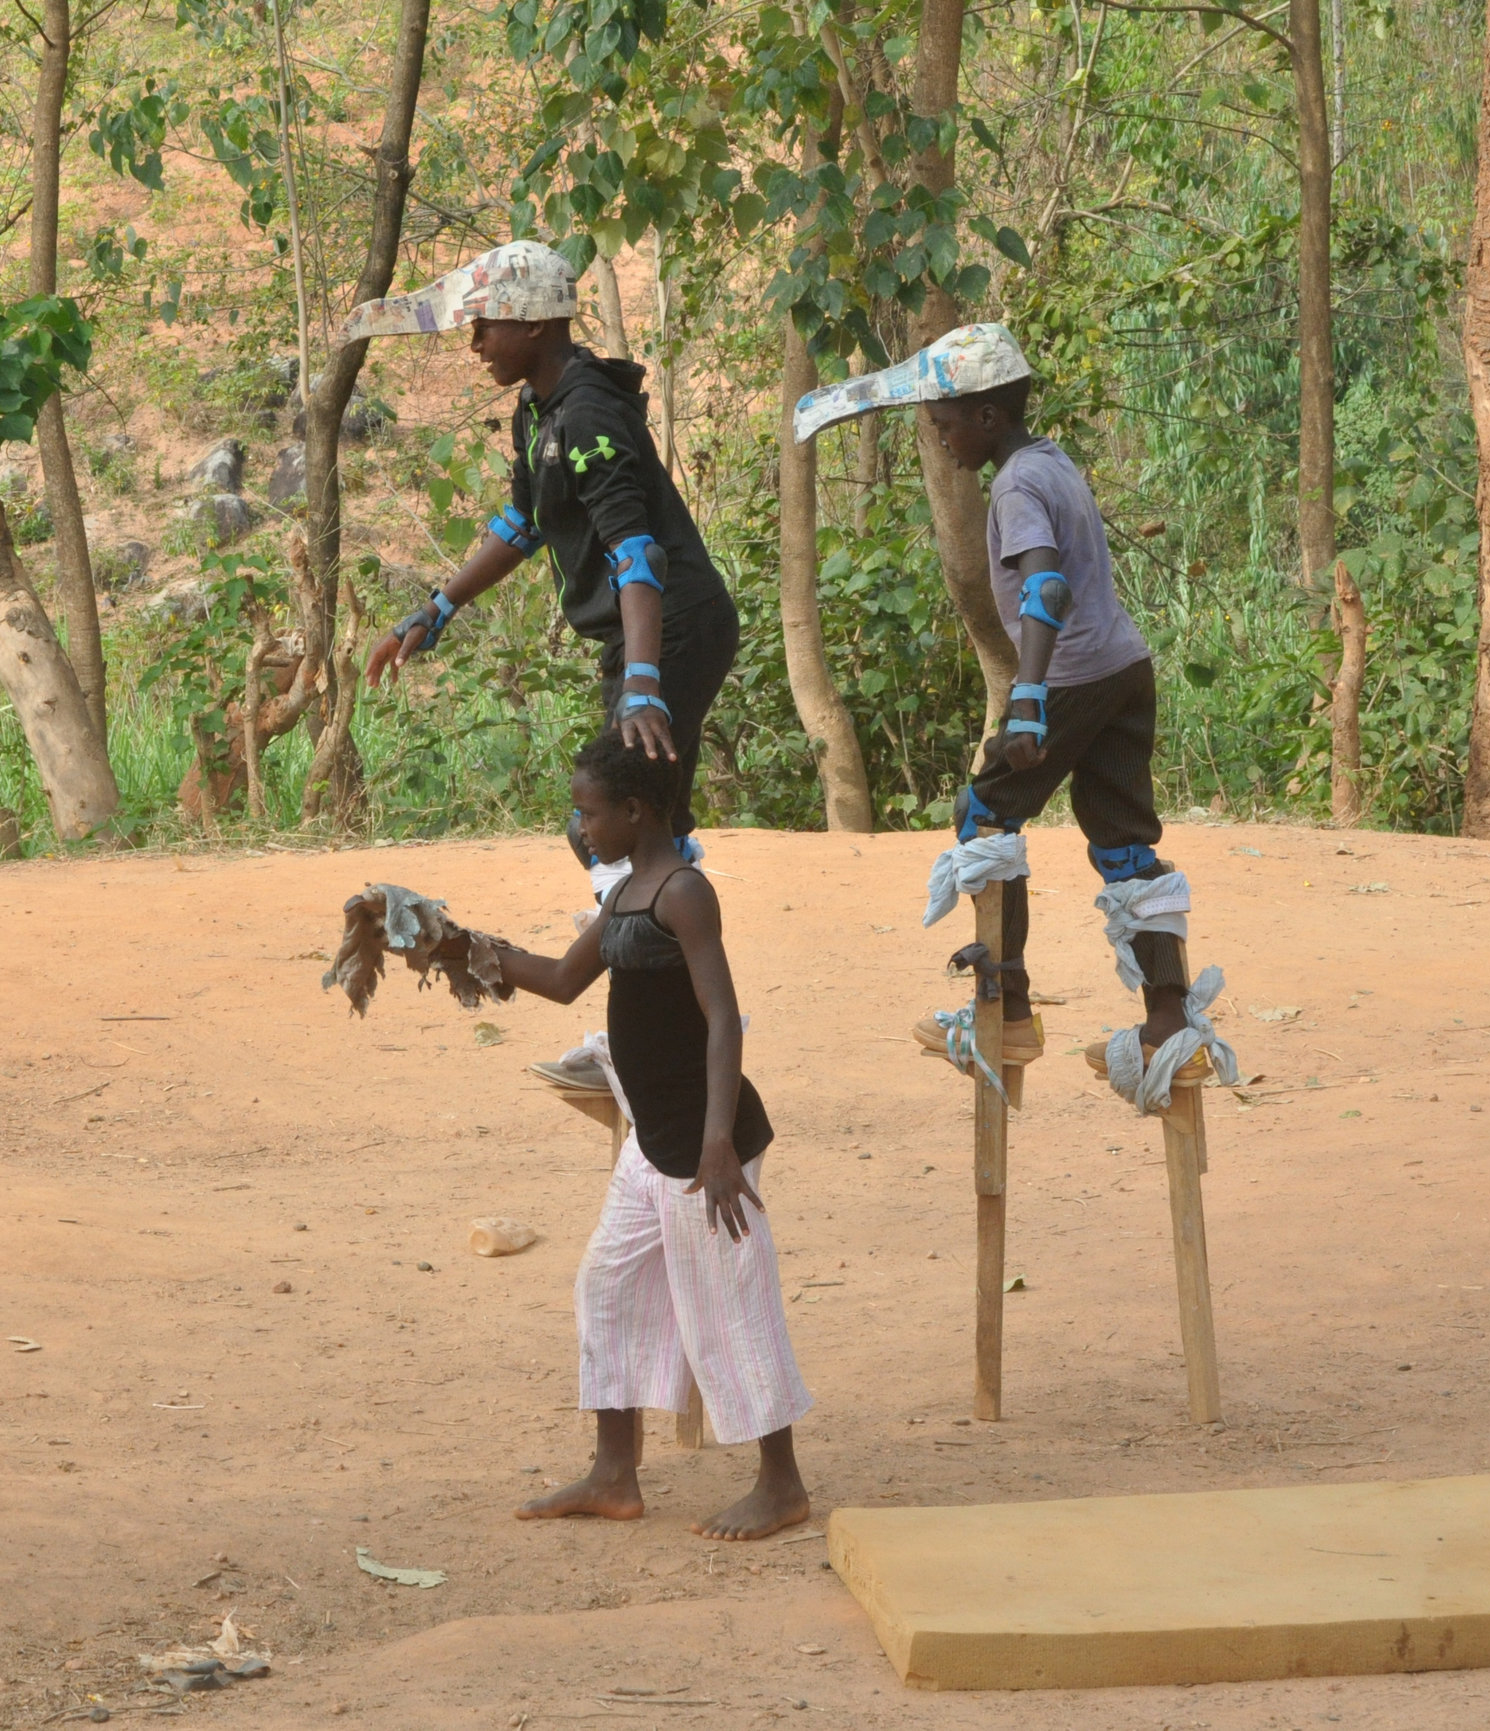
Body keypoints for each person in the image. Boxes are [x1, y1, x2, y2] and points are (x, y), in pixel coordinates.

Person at [793, 324, 1191, 1068]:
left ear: (986, 417)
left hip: (1069, 675)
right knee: (1126, 845)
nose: (940, 440)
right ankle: (1170, 1020)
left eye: (944, 425)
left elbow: (1044, 582)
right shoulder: (1053, 460)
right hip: (1124, 667)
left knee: (984, 815)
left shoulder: (1012, 486)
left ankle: (1003, 1011)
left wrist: (1031, 693)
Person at [487, 732, 813, 1540]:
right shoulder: (629, 890)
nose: (580, 827)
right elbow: (562, 980)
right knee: (608, 1285)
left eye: (589, 812)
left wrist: (717, 1142)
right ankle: (614, 1473)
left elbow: (721, 1019)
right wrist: (464, 946)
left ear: (634, 810)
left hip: (704, 1150)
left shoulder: (683, 893)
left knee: (728, 1306)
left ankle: (782, 1484)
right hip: (653, 1142)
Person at [347, 241, 739, 874]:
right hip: (646, 636)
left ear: (532, 322)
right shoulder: (537, 411)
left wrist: (643, 684)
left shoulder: (586, 414)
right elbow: (523, 525)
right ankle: (656, 946)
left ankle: (652, 947)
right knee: (636, 823)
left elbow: (636, 556)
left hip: (675, 630)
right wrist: (435, 609)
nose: (475, 343)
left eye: (484, 326)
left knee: (612, 819)